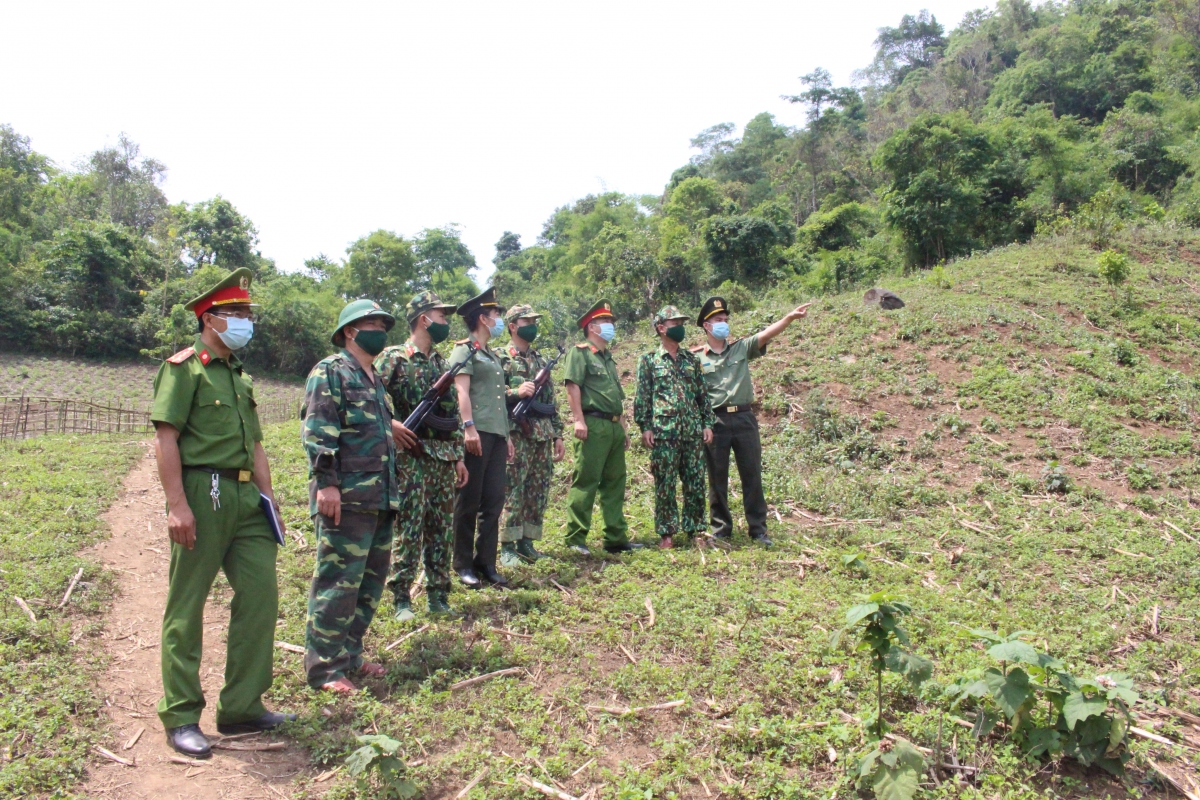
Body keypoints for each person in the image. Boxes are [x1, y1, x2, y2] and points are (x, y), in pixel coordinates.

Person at [150, 267, 294, 758]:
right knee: (187, 605)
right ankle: (181, 713)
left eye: (248, 314)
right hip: (203, 489)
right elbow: (166, 437)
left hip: (245, 497)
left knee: (261, 595)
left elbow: (254, 442)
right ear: (210, 318)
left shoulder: (239, 375)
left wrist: (269, 497)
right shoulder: (184, 369)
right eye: (237, 314)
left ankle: (241, 706)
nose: (245, 321)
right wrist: (177, 505)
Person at [301, 299, 400, 694]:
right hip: (346, 498)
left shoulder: (373, 378)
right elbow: (319, 431)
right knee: (338, 583)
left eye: (381, 323)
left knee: (369, 584)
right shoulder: (330, 372)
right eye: (370, 323)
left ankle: (351, 654)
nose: (379, 328)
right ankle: (324, 668)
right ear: (349, 331)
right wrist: (327, 485)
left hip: (380, 497)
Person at [375, 291, 469, 620]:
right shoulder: (393, 358)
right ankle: (401, 597)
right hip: (410, 456)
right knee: (409, 527)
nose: (446, 322)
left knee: (441, 528)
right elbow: (369, 397)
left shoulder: (443, 364)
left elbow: (452, 415)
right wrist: (392, 425)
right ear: (422, 318)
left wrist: (458, 456)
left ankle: (438, 595)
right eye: (441, 316)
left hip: (442, 457)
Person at [693, 296, 811, 547]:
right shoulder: (695, 358)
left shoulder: (741, 348)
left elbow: (766, 334)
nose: (723, 323)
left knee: (752, 475)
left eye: (725, 319)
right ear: (706, 325)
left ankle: (758, 529)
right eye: (717, 320)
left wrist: (789, 318)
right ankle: (721, 529)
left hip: (745, 418)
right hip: (715, 421)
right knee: (717, 477)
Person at [561, 300, 641, 555]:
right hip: (592, 424)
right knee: (586, 481)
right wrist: (578, 419)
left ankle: (616, 538)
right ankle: (575, 539)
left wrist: (624, 428)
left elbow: (616, 396)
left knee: (615, 483)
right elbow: (572, 386)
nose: (611, 327)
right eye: (606, 322)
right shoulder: (581, 352)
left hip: (614, 426)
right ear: (592, 327)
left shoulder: (608, 358)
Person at [634, 306, 715, 550]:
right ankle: (666, 533)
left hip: (692, 432)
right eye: (674, 322)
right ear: (661, 328)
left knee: (695, 482)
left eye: (681, 322)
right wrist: (645, 427)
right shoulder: (649, 360)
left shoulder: (692, 359)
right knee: (665, 483)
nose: (680, 327)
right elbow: (643, 397)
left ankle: (696, 529)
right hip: (663, 433)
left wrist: (707, 423)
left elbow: (702, 395)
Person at [448, 287, 514, 588]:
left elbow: (498, 400)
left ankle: (486, 562)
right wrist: (468, 427)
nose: (498, 318)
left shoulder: (492, 354)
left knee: (494, 500)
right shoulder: (465, 350)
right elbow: (461, 390)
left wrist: (507, 434)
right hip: (477, 433)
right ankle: (462, 563)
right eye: (495, 314)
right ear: (482, 318)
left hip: (497, 433)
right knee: (469, 500)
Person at [497, 304, 565, 567]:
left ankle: (528, 542)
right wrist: (515, 392)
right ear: (513, 326)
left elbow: (550, 401)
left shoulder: (539, 360)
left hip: (541, 434)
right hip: (516, 433)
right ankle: (508, 546)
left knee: (538, 490)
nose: (532, 325)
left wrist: (557, 434)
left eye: (534, 320)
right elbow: (490, 394)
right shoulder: (500, 357)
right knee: (513, 489)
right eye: (527, 321)